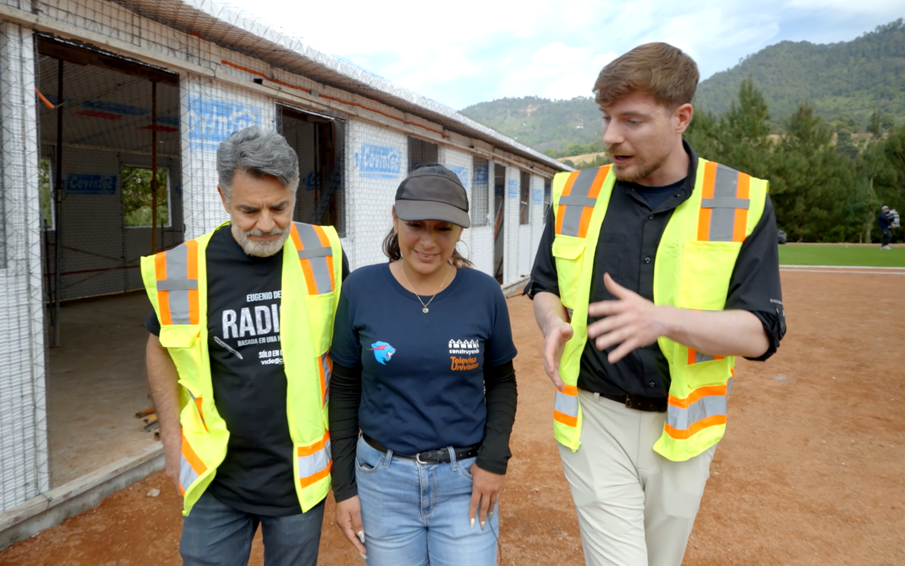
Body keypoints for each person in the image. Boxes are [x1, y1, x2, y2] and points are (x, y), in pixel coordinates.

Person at [527, 43, 785, 566]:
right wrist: (552, 319)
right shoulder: (573, 193)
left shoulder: (740, 200)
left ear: (680, 117)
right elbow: (544, 284)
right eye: (605, 118)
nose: (610, 137)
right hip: (594, 417)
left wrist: (662, 320)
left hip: (685, 428)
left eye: (632, 121)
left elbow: (759, 332)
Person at [140, 126, 348, 566]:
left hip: (298, 476)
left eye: (280, 207)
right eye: (249, 210)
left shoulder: (325, 253)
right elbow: (159, 347)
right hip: (217, 478)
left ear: (295, 193)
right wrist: (172, 441)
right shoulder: (183, 268)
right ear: (222, 197)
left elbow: (348, 350)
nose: (267, 224)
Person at [329, 164, 518, 566]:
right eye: (416, 224)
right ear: (395, 218)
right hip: (382, 482)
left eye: (444, 228)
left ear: (461, 231)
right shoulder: (360, 289)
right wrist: (344, 488)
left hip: (465, 481)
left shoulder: (484, 293)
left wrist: (493, 461)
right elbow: (345, 391)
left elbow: (501, 381)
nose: (429, 242)